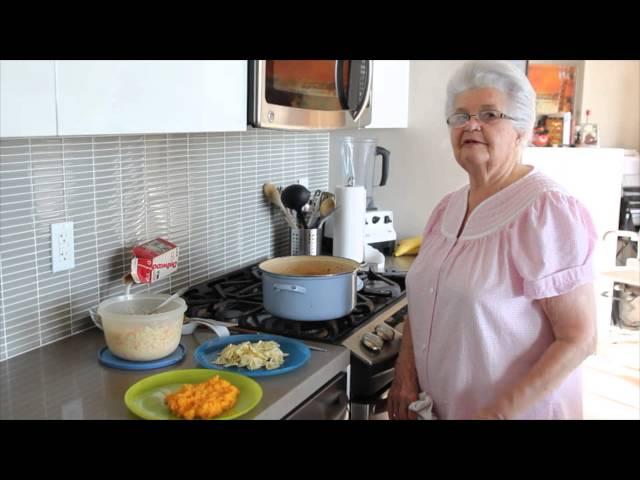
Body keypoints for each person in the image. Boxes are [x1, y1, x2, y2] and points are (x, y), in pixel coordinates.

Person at [387, 61, 598, 420]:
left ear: (520, 130)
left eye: (489, 114)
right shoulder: (446, 209)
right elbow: (425, 299)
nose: (471, 125)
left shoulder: (547, 211)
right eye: (460, 116)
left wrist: (497, 414)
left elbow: (579, 339)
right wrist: (405, 375)